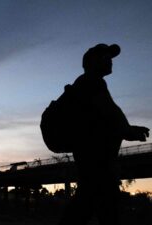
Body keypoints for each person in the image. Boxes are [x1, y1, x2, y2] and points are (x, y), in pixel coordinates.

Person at [59, 44, 149, 225]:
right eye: (105, 57)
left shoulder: (86, 83)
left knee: (88, 203)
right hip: (97, 159)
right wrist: (129, 131)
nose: (110, 61)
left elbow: (106, 118)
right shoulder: (91, 82)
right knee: (99, 202)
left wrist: (128, 129)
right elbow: (110, 113)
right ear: (92, 61)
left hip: (93, 159)